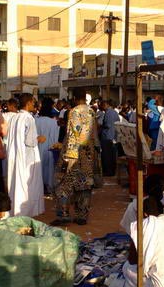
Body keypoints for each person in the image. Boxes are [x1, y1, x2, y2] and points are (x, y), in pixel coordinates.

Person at [52, 88, 99, 226]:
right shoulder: (91, 112)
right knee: (84, 186)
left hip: (74, 156)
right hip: (88, 156)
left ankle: (64, 215)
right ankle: (82, 216)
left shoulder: (74, 112)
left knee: (62, 185)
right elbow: (95, 135)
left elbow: (73, 135)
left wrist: (67, 159)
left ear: (74, 98)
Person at [5, 94, 45, 217]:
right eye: (33, 103)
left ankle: (15, 209)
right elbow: (30, 141)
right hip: (27, 157)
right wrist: (39, 138)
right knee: (29, 184)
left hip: (15, 156)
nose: (35, 105)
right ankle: (27, 211)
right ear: (28, 103)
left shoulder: (14, 117)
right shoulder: (29, 118)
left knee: (16, 182)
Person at [35, 98, 60, 195]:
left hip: (37, 149)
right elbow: (54, 138)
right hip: (49, 148)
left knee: (39, 168)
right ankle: (49, 188)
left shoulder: (36, 121)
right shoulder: (53, 122)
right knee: (49, 169)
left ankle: (39, 188)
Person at [99, 99, 120, 176]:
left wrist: (101, 126)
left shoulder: (108, 113)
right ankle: (112, 171)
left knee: (107, 155)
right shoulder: (114, 112)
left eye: (103, 105)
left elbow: (108, 125)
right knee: (112, 155)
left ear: (107, 104)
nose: (102, 107)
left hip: (108, 137)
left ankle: (109, 172)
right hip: (113, 136)